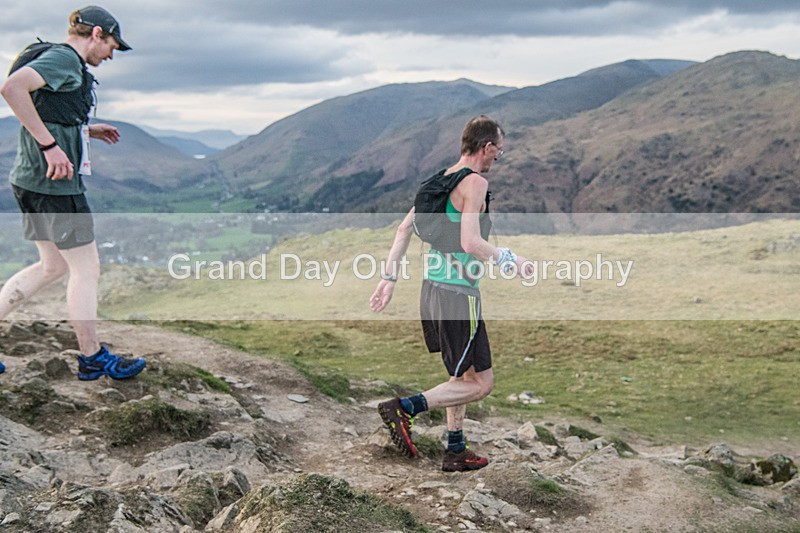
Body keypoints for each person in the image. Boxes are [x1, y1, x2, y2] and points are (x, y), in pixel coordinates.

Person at [370, 115, 533, 472]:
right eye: (499, 151)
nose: (497, 157)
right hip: (458, 295)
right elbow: (471, 242)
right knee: (482, 384)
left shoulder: (441, 180)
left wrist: (389, 279)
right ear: (487, 147)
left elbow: (403, 230)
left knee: (462, 376)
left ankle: (456, 449)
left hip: (432, 290)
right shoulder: (474, 183)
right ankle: (405, 408)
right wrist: (511, 260)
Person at [0, 6, 145, 380]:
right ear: (97, 33)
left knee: (52, 266)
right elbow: (12, 88)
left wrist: (85, 130)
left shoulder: (62, 62)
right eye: (112, 45)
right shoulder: (65, 58)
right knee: (86, 268)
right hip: (55, 186)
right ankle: (92, 357)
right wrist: (50, 147)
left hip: (31, 180)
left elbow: (48, 108)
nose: (111, 54)